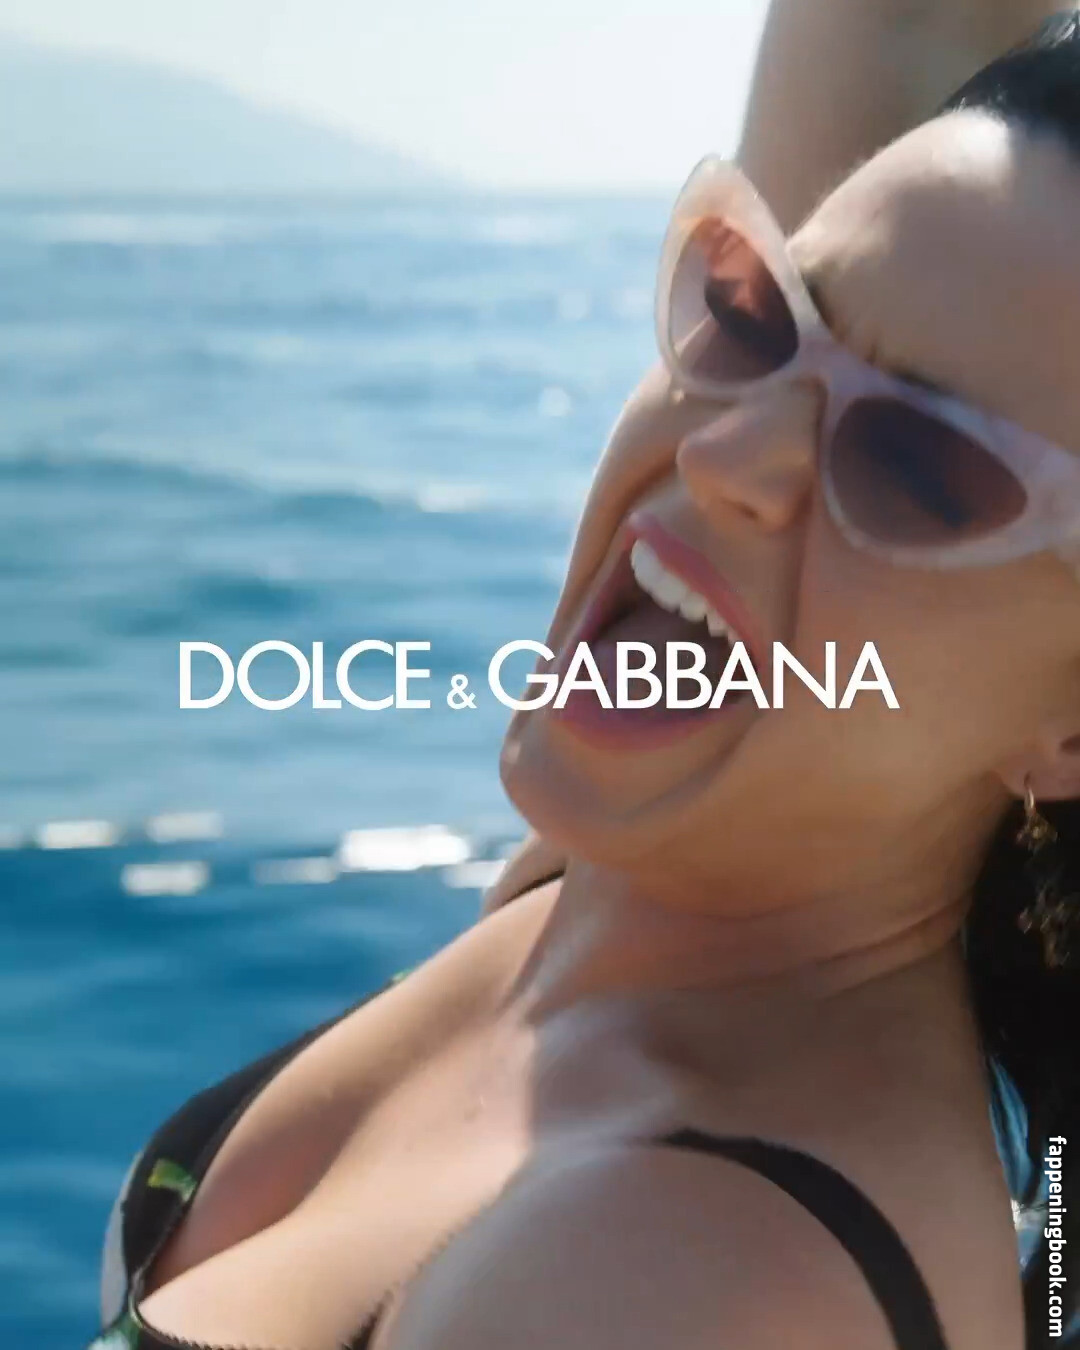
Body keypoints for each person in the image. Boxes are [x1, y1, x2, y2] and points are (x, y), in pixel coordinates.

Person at [89, 4, 1080, 1348]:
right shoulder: (614, 897)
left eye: (918, 466)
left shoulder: (681, 1280)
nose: (727, 452)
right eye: (754, 315)